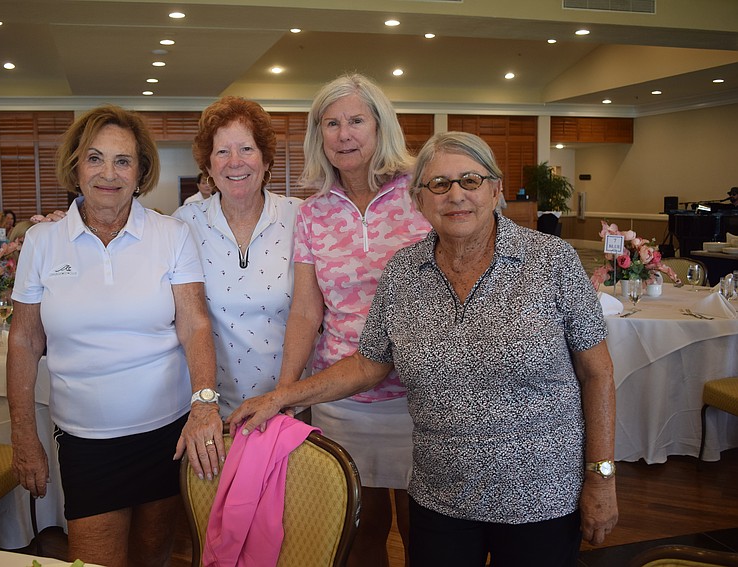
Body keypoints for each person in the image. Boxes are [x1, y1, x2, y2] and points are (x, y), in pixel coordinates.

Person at [230, 131, 618, 567]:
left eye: (470, 180)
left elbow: (597, 373)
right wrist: (283, 395)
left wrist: (601, 477)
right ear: (418, 201)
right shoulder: (403, 271)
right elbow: (368, 364)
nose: (456, 195)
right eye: (438, 184)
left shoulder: (551, 261)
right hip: (441, 497)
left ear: (496, 189)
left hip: (540, 496)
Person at [7, 105, 221, 567]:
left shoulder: (172, 235)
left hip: (165, 435)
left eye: (123, 161)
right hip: (86, 441)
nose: (109, 173)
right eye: (95, 158)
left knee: (154, 555)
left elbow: (194, 322)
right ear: (75, 166)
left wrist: (204, 402)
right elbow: (24, 341)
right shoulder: (43, 243)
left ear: (141, 171)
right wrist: (24, 433)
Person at [276, 73, 432, 566]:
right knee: (359, 535)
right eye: (331, 123)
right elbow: (306, 309)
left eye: (356, 121)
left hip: (422, 399)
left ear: (380, 125)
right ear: (318, 135)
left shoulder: (423, 193)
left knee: (424, 532)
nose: (344, 134)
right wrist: (285, 394)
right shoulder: (312, 212)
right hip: (342, 401)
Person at [172, 96, 302, 418]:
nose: (235, 161)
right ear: (208, 167)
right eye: (222, 151)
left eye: (246, 149)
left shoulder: (299, 217)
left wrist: (287, 400)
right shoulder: (185, 224)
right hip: (213, 412)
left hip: (289, 407)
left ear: (265, 160)